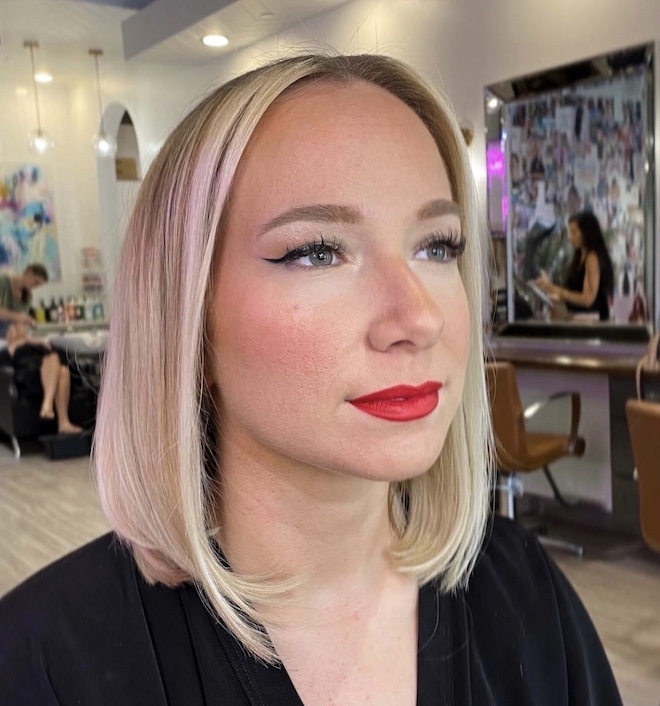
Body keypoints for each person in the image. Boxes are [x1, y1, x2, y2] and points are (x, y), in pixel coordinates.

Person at [0, 54, 622, 705]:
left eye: (436, 246)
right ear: (185, 321)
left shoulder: (527, 596)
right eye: (317, 252)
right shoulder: (43, 664)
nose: (417, 317)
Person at [0, 323, 83, 434]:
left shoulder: (37, 343)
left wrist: (36, 341)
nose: (20, 329)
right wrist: (27, 341)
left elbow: (50, 348)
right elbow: (13, 355)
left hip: (49, 372)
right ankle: (48, 404)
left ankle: (63, 422)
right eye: (15, 328)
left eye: (21, 327)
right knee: (53, 358)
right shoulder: (11, 348)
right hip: (29, 377)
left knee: (63, 370)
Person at [537, 210, 614, 321]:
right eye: (570, 232)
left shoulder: (592, 257)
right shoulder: (579, 257)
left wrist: (554, 289)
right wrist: (548, 290)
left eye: (574, 232)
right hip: (579, 318)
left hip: (591, 320)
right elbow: (573, 296)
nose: (570, 237)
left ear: (586, 232)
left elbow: (588, 299)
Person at [0, 262, 48, 336]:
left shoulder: (28, 296)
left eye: (39, 286)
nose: (35, 287)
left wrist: (29, 321)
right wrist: (18, 317)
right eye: (36, 282)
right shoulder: (3, 281)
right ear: (29, 273)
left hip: (7, 336)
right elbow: (18, 317)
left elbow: (19, 320)